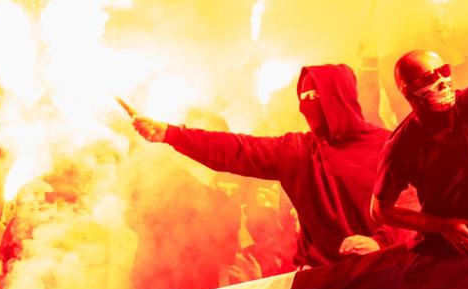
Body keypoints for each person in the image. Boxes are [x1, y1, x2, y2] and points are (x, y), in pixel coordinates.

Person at [122, 63, 401, 267]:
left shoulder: (387, 145)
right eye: (303, 99)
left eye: (315, 96)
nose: (308, 105)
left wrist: (381, 242)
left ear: (341, 96)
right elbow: (238, 150)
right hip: (323, 280)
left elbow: (409, 202)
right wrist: (171, 134)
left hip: (385, 268)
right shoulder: (298, 150)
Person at [373, 49, 468, 252]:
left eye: (444, 70)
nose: (443, 80)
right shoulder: (402, 143)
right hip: (450, 245)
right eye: (430, 77)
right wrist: (441, 226)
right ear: (407, 90)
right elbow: (380, 211)